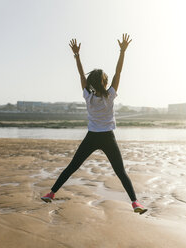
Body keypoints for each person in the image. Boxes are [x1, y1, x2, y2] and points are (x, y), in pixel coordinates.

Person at [41, 34, 147, 215]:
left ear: (91, 83)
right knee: (121, 172)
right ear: (105, 82)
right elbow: (118, 72)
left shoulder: (88, 97)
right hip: (108, 137)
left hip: (92, 137)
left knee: (72, 166)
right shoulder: (111, 94)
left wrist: (76, 55)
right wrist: (122, 51)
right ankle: (135, 203)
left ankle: (51, 193)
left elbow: (81, 74)